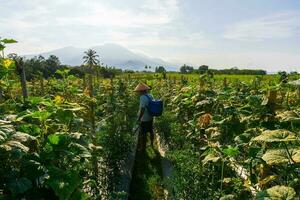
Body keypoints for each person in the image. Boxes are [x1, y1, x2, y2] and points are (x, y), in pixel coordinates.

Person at [134, 83, 154, 151]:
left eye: (139, 91)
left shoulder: (142, 97)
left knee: (143, 133)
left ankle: (143, 148)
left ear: (141, 91)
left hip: (144, 118)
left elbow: (142, 109)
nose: (138, 93)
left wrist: (139, 118)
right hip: (151, 116)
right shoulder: (150, 95)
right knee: (151, 130)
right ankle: (152, 144)